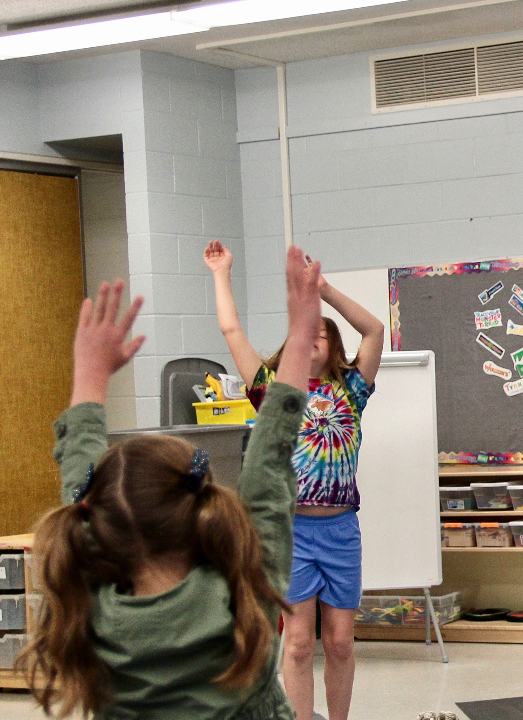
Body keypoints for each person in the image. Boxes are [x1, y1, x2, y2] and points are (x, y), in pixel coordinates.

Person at [19, 246, 322, 719]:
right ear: (197, 509)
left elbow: (79, 481)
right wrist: (301, 335)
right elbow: (268, 466)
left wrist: (90, 373)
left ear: (94, 527)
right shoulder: (245, 589)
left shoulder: (88, 608)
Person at [205, 241, 385, 720]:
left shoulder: (351, 389)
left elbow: (374, 328)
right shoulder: (274, 393)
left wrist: (323, 291)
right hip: (291, 533)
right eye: (308, 333)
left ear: (334, 347)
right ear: (292, 344)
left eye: (325, 335)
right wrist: (221, 273)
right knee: (300, 642)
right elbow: (230, 329)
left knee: (341, 642)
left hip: (340, 529)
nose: (316, 339)